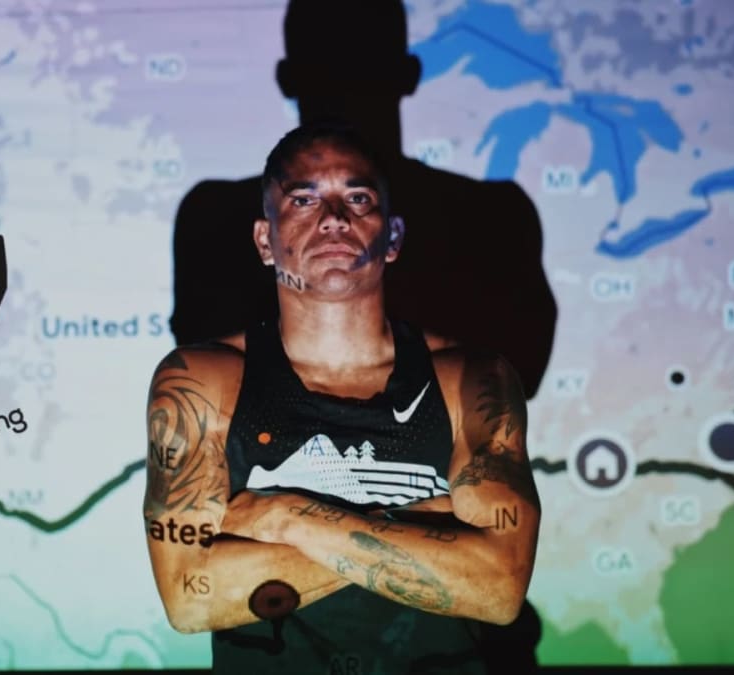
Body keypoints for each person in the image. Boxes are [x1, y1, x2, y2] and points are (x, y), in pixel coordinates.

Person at [145, 125, 541, 674]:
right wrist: (431, 524)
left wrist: (285, 517)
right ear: (265, 241)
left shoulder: (471, 380)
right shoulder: (202, 382)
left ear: (393, 236)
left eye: (357, 199)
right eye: (303, 200)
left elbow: (498, 589)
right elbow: (191, 597)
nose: (333, 218)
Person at [169, 0, 556, 400]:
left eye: (359, 64)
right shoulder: (493, 217)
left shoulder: (216, 217)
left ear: (287, 79)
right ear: (409, 75)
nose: (346, 86)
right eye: (330, 65)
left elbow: (517, 375)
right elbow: (205, 375)